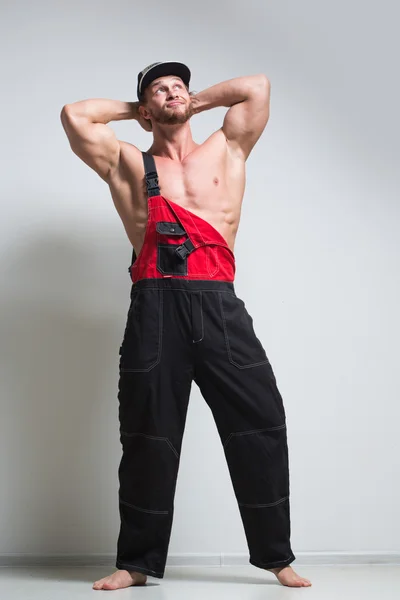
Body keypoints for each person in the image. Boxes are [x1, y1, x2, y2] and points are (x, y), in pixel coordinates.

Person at [60, 61, 312, 591]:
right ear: (147, 107)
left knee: (261, 424)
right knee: (149, 437)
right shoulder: (128, 162)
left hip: (219, 305)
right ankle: (136, 563)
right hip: (154, 309)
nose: (173, 92)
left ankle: (276, 556)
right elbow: (75, 115)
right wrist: (143, 113)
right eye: (160, 89)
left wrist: (188, 103)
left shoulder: (227, 147)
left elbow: (255, 87)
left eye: (180, 86)